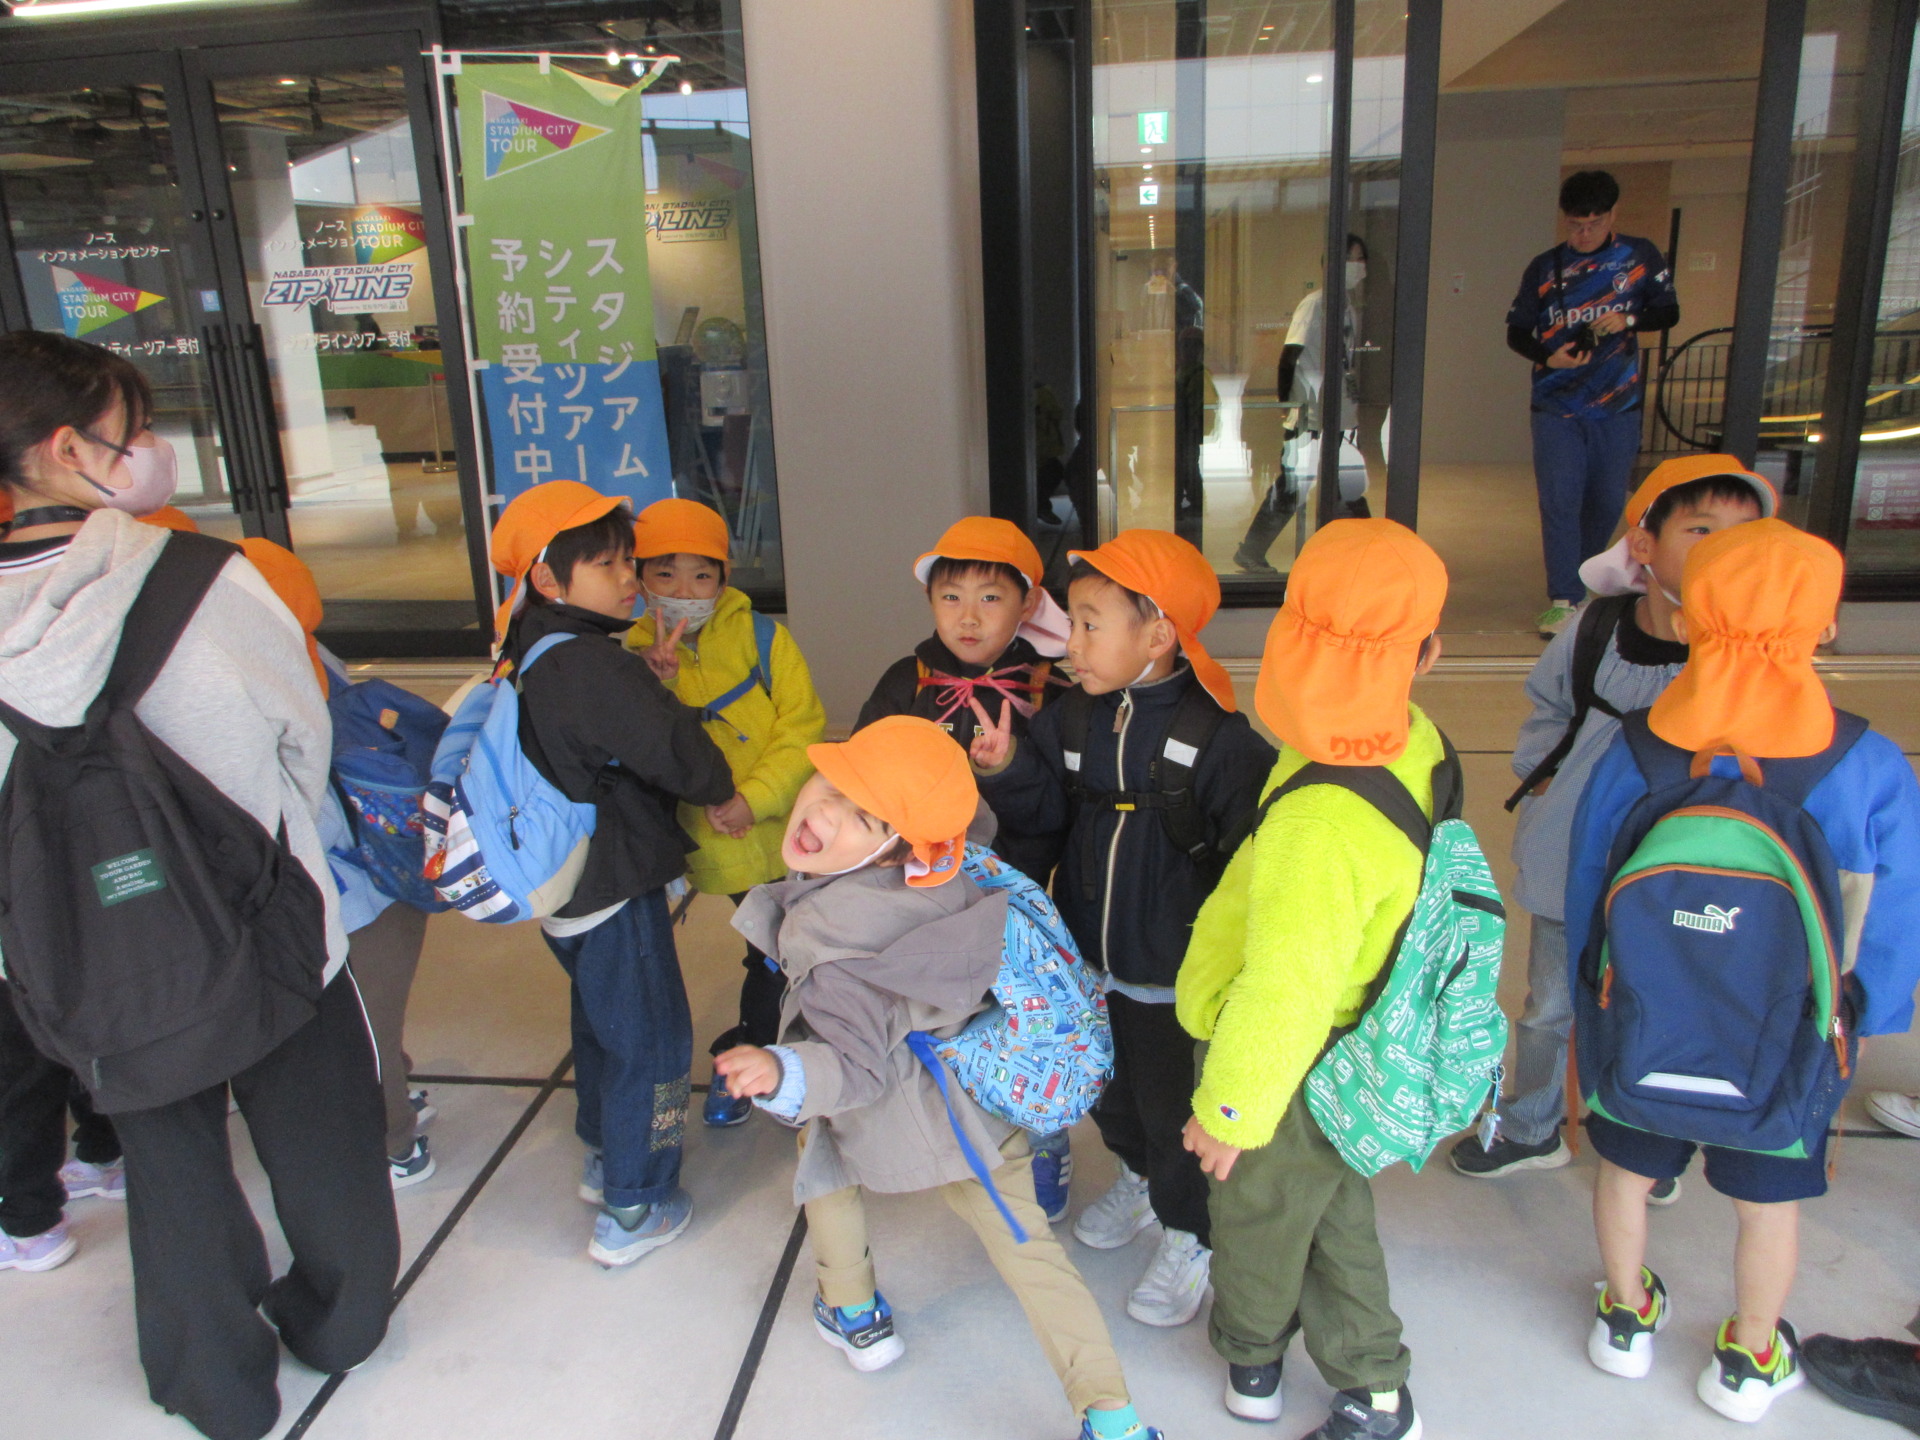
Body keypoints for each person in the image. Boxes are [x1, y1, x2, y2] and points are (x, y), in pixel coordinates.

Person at [0, 328, 397, 1440]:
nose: (146, 454)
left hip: (90, 959)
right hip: (264, 920)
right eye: (129, 435)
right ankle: (337, 1325)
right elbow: (302, 738)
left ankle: (215, 1387)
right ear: (66, 449)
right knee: (325, 1146)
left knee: (170, 1166)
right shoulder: (201, 576)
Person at [713, 716, 1167, 1440]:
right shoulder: (952, 860)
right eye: (829, 784)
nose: (822, 812)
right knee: (1031, 1255)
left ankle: (853, 1312)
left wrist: (779, 1070)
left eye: (863, 816)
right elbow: (968, 815)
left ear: (897, 846)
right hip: (977, 1108)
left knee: (824, 1163)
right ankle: (1113, 1417)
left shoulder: (833, 940)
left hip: (885, 1105)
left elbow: (853, 1069)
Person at [1564, 520, 1920, 1421]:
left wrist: (1586, 1001)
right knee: (1767, 1204)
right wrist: (1866, 1019)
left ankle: (1625, 1318)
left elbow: (1588, 888)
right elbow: (1894, 918)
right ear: (1827, 626)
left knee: (1625, 1172)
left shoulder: (1637, 750)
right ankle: (1750, 1360)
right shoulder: (1867, 764)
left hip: (1642, 1026)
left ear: (1686, 621)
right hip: (1788, 1040)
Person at [1175, 518, 1445, 1438]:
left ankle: (1253, 1356)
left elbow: (1287, 986)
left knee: (1257, 1213)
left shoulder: (1321, 819)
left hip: (1287, 1060)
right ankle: (1373, 1379)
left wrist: (1231, 1110)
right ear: (1426, 655)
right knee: (1329, 1206)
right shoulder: (1404, 740)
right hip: (1350, 1036)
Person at [970, 529, 1275, 1328]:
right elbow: (1045, 817)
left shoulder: (1219, 740)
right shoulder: (1073, 718)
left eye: (1089, 624)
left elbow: (1252, 864)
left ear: (1159, 633)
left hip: (1172, 976)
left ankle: (1191, 1232)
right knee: (1106, 1092)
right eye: (1071, 622)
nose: (1070, 644)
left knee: (1172, 1110)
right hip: (1088, 965)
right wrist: (1008, 767)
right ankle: (1138, 1179)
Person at [1448, 455, 1776, 1181]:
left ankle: (1647, 1142)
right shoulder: (1594, 626)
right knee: (1549, 1005)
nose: (1723, 548)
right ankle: (1532, 1126)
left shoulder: (1751, 651)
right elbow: (1550, 705)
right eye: (1702, 529)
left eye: (1744, 533)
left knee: (1660, 1000)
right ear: (1644, 545)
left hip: (1682, 869)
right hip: (1574, 854)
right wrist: (1543, 780)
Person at [491, 481, 735, 1267]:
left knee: (603, 1021)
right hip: (613, 885)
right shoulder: (592, 664)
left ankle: (605, 1152)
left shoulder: (529, 643)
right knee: (653, 1040)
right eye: (607, 565)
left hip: (562, 886)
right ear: (547, 578)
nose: (630, 578)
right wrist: (718, 781)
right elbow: (679, 755)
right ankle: (636, 1202)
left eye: (629, 560)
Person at [856, 515, 1076, 1216]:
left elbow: (1058, 812)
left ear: (1027, 604)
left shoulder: (1050, 691)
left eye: (990, 598)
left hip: (1012, 893)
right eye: (951, 597)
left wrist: (1008, 768)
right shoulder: (907, 680)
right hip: (923, 891)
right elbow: (864, 772)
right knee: (936, 1009)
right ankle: (945, 1120)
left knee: (1023, 1016)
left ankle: (1045, 1136)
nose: (968, 617)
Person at [237, 536, 440, 1190]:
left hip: (349, 895)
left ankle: (394, 1143)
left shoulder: (263, 686)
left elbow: (308, 818)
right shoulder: (316, 657)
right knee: (380, 1017)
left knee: (363, 1025)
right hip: (391, 876)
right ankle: (396, 1091)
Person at [621, 497, 825, 1128]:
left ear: (725, 578)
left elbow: (803, 727)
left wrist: (754, 799)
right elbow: (633, 752)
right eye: (665, 573)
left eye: (701, 575)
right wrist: (650, 684)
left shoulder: (763, 637)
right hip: (711, 841)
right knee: (772, 949)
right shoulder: (627, 656)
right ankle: (759, 1061)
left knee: (785, 949)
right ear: (639, 577)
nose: (685, 591)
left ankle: (764, 1057)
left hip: (789, 827)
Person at [1507, 170, 1679, 636]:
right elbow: (1517, 331)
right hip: (1556, 404)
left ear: (1612, 215)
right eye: (1575, 225)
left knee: (1605, 500)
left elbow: (1669, 311)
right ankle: (1564, 597)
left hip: (1617, 404)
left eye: (1595, 224)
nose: (1584, 234)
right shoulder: (1545, 267)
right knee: (1560, 500)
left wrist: (1628, 319)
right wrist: (1549, 356)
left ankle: (1585, 581)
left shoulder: (1638, 256)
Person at [1236, 235, 1371, 576]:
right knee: (1294, 485)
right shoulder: (1314, 305)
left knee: (1346, 485)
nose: (1360, 267)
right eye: (1354, 259)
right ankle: (1251, 551)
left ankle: (1365, 554)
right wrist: (1288, 405)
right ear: (1332, 265)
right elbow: (1289, 356)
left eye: (1362, 260)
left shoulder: (1348, 308)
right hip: (1310, 415)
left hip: (1339, 414)